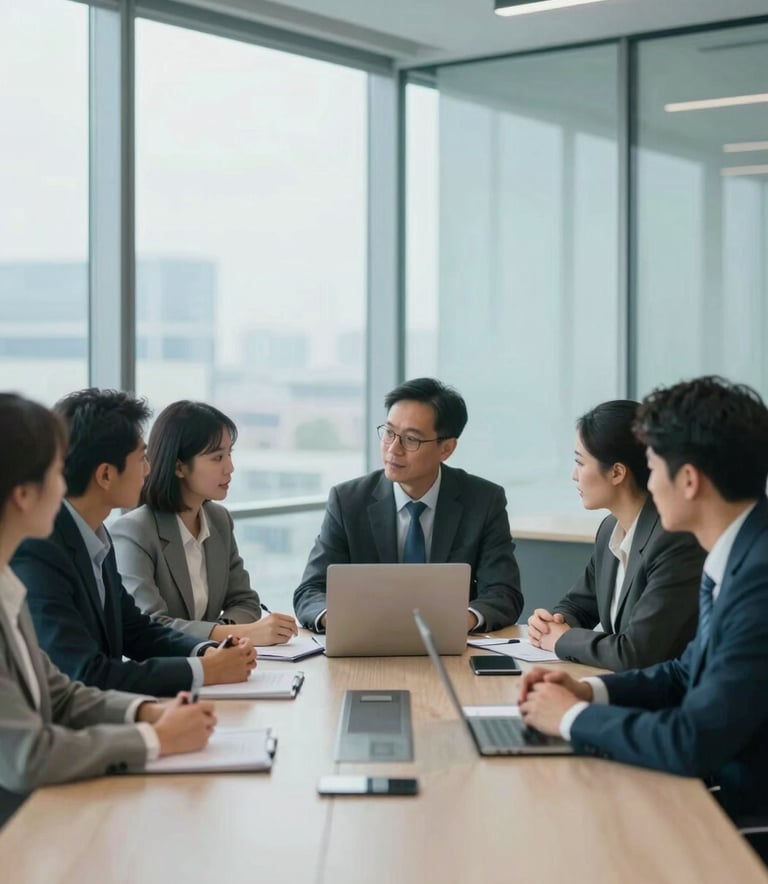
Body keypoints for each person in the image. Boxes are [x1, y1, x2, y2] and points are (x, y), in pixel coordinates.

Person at [519, 376, 768, 824]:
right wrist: (589, 691)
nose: (648, 485)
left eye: (651, 468)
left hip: (741, 819)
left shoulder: (758, 576)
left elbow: (692, 740)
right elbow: (684, 671)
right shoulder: (739, 553)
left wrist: (571, 718)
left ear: (688, 480)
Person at [0, 393, 217, 826]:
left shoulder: (8, 583)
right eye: (55, 473)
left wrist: (146, 711)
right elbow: (27, 756)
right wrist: (153, 738)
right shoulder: (32, 562)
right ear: (23, 494)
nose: (63, 487)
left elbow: (57, 692)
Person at [11, 389, 256, 697]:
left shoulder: (95, 537)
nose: (149, 469)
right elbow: (83, 672)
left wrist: (209, 651)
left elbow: (136, 631)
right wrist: (205, 670)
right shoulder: (39, 550)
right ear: (105, 475)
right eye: (141, 458)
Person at [293, 377, 523, 633]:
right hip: (366, 644)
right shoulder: (348, 501)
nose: (393, 449)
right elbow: (310, 590)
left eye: (411, 439)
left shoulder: (483, 501)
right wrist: (336, 619)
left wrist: (460, 621)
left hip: (450, 647)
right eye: (389, 433)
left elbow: (504, 593)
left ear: (446, 448)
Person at [527, 400, 704, 671]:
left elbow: (636, 652)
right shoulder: (610, 528)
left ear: (617, 472)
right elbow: (579, 605)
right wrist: (554, 622)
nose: (574, 475)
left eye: (580, 462)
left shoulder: (674, 539)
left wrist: (563, 639)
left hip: (666, 699)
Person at [112, 400, 297, 645]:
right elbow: (151, 626)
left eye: (229, 454)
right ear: (179, 467)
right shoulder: (135, 531)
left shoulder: (219, 520)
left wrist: (224, 635)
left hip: (216, 665)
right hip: (165, 675)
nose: (230, 468)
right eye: (217, 457)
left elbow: (244, 601)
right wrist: (241, 634)